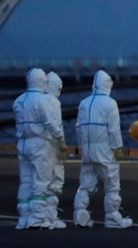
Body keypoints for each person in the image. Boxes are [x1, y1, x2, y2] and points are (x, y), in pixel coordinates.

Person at [73, 69, 132, 229]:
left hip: (87, 149)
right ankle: (112, 216)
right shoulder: (110, 103)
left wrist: (82, 146)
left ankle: (80, 213)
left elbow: (78, 128)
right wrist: (118, 147)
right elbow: (113, 129)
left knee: (85, 182)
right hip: (104, 149)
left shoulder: (84, 103)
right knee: (112, 183)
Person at [14, 68, 67, 230]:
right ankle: (37, 219)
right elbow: (50, 123)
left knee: (26, 182)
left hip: (23, 143)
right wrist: (60, 140)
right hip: (40, 144)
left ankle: (24, 217)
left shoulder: (19, 101)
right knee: (41, 181)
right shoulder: (43, 100)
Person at [45, 71, 67, 229]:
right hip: (50, 146)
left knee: (34, 182)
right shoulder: (53, 102)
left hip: (34, 146)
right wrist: (62, 145)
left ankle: (33, 216)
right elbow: (56, 127)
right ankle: (49, 216)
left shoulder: (33, 100)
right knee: (53, 180)